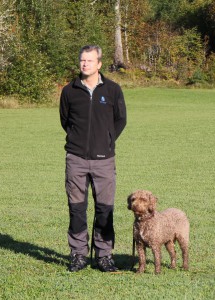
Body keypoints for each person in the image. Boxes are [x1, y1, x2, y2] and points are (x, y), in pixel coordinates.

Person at [59, 45, 127, 272]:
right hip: (76, 159)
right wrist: (79, 142)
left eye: (89, 60)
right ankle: (78, 255)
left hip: (104, 160)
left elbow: (120, 120)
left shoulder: (113, 90)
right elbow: (65, 121)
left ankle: (104, 256)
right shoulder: (69, 91)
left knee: (104, 209)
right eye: (82, 60)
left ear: (99, 64)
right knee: (76, 208)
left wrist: (106, 142)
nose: (84, 64)